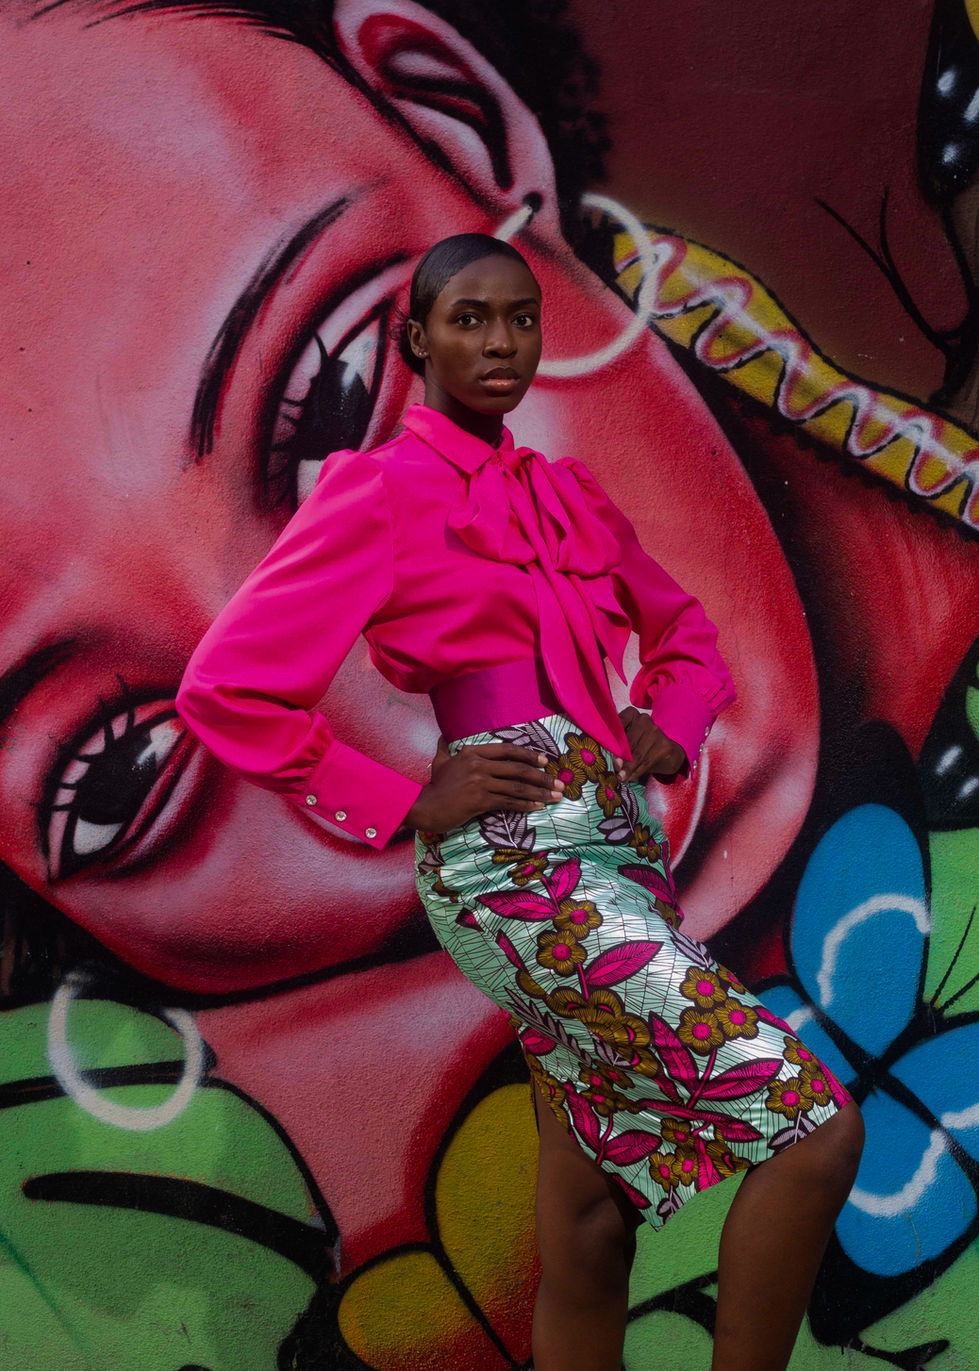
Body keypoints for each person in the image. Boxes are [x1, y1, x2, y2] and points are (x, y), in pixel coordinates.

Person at [176, 232, 865, 1371]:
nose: (500, 343)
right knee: (814, 1133)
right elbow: (227, 689)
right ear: (417, 340)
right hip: (517, 868)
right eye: (469, 320)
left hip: (622, 852)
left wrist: (668, 716)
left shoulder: (565, 493)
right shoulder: (374, 492)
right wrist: (403, 798)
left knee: (590, 1221)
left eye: (520, 319)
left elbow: (686, 636)